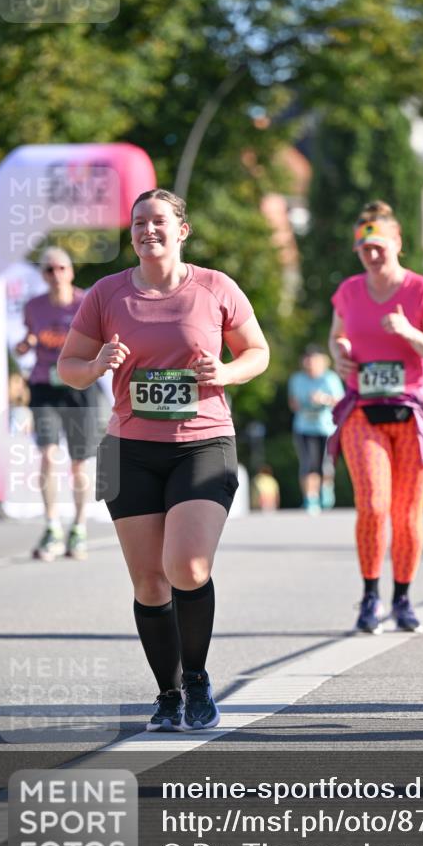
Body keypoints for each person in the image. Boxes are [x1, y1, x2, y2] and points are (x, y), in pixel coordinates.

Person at [58, 189, 269, 732]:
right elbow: (69, 368)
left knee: (189, 567)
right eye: (138, 223)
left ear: (182, 230)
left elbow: (257, 352)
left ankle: (197, 679)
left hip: (204, 443)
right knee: (150, 583)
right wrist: (98, 362)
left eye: (158, 221)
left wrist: (225, 373)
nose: (147, 230)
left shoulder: (215, 287)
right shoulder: (106, 294)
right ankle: (168, 693)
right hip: (127, 449)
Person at [328, 201, 423, 634]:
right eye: (364, 249)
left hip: (415, 411)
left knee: (406, 513)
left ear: (397, 243)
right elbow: (336, 337)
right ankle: (370, 597)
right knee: (373, 506)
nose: (372, 255)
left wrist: (409, 332)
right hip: (364, 410)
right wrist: (340, 355)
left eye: (378, 246)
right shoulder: (349, 291)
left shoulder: (421, 291)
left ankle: (404, 598)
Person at [15, 247, 99, 561]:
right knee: (48, 456)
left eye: (61, 268)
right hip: (44, 387)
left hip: (78, 388)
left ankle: (78, 528)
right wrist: (26, 344)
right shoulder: (34, 307)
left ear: (71, 272)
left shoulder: (85, 304)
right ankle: (52, 525)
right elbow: (29, 338)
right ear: (43, 276)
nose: (56, 275)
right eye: (49, 270)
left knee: (78, 464)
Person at [288, 345, 344, 513]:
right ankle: (310, 498)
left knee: (326, 465)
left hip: (326, 429)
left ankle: (326, 491)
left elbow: (340, 402)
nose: (310, 363)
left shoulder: (330, 378)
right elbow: (293, 404)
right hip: (304, 427)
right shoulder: (297, 379)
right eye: (307, 359)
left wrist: (323, 399)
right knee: (308, 464)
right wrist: (303, 403)